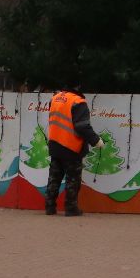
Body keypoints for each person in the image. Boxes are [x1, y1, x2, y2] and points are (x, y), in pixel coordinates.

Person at [45, 85, 100, 217]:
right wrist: (96, 140)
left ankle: (49, 207)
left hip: (55, 144)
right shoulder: (78, 102)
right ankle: (71, 208)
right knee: (73, 179)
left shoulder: (55, 99)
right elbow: (82, 126)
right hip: (71, 146)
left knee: (54, 177)